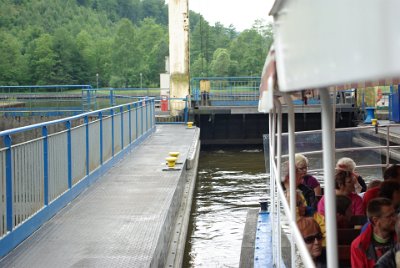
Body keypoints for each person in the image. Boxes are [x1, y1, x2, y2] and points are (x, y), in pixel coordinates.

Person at [351, 198, 397, 267]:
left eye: (394, 214)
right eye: (389, 216)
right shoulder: (359, 245)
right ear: (375, 220)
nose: (395, 218)